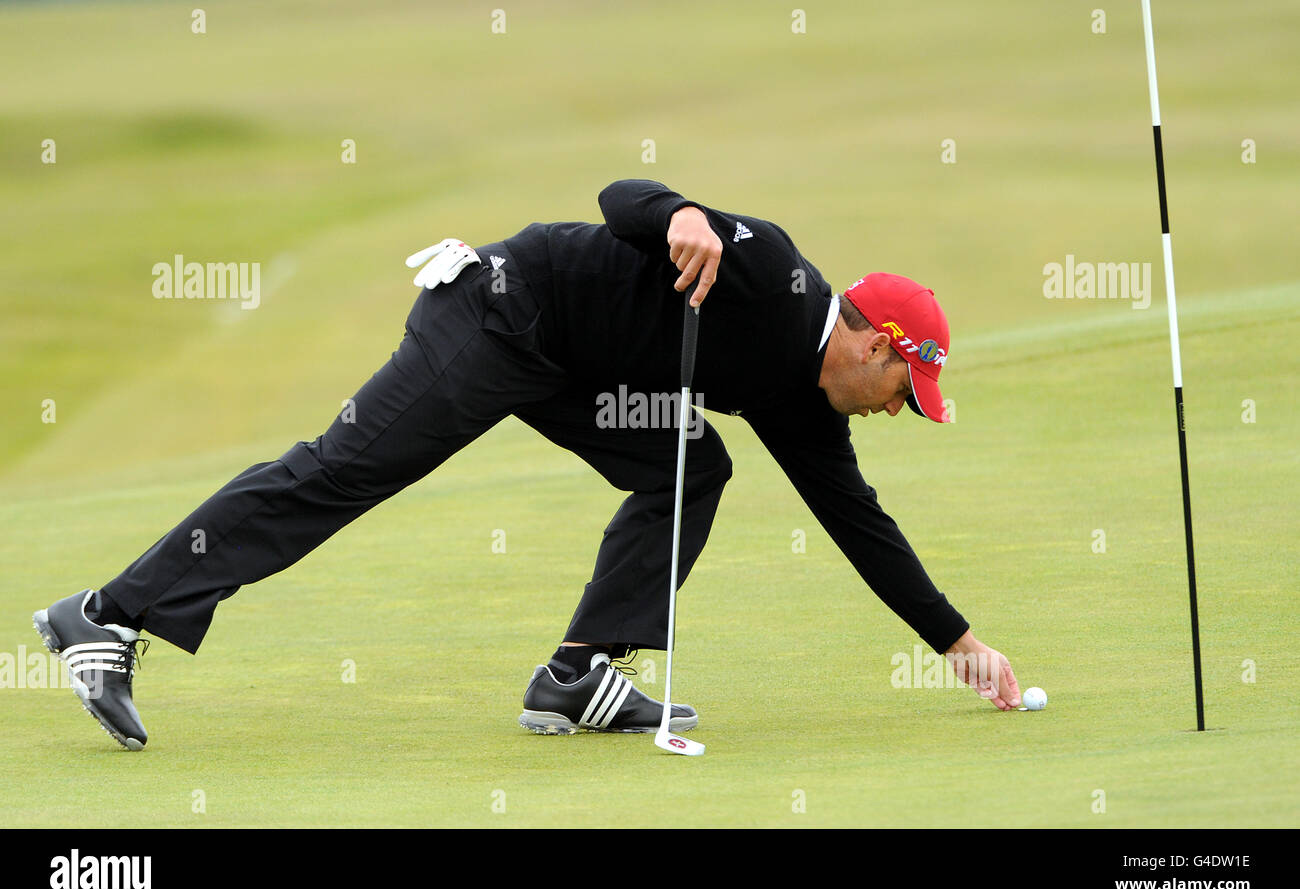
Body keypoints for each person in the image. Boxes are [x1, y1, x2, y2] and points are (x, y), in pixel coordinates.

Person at [31, 179, 1021, 751]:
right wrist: (677, 210)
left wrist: (956, 642)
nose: (897, 410)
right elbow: (621, 199)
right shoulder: (774, 270)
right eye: (904, 392)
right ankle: (107, 615)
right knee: (340, 472)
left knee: (687, 464)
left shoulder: (802, 401)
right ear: (877, 346)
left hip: (569, 368)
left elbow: (857, 518)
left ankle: (577, 674)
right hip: (499, 316)